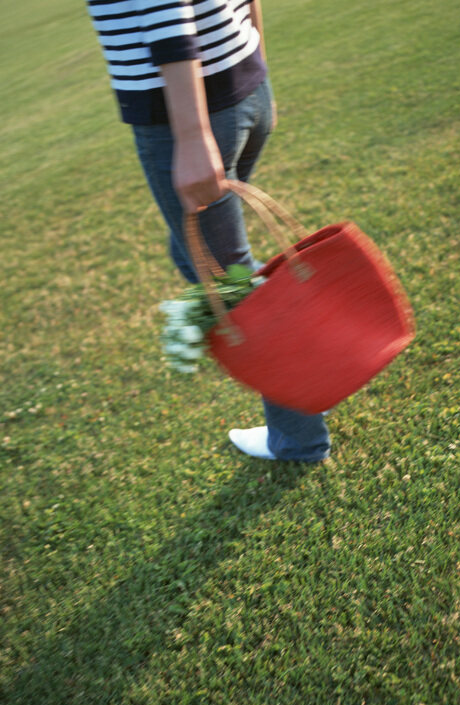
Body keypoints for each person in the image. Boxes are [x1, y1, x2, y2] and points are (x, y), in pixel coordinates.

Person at [86, 0, 330, 462]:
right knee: (198, 257)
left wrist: (194, 136)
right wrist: (258, 65)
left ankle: (299, 438)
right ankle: (309, 368)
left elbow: (163, 8)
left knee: (232, 283)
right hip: (241, 86)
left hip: (187, 116)